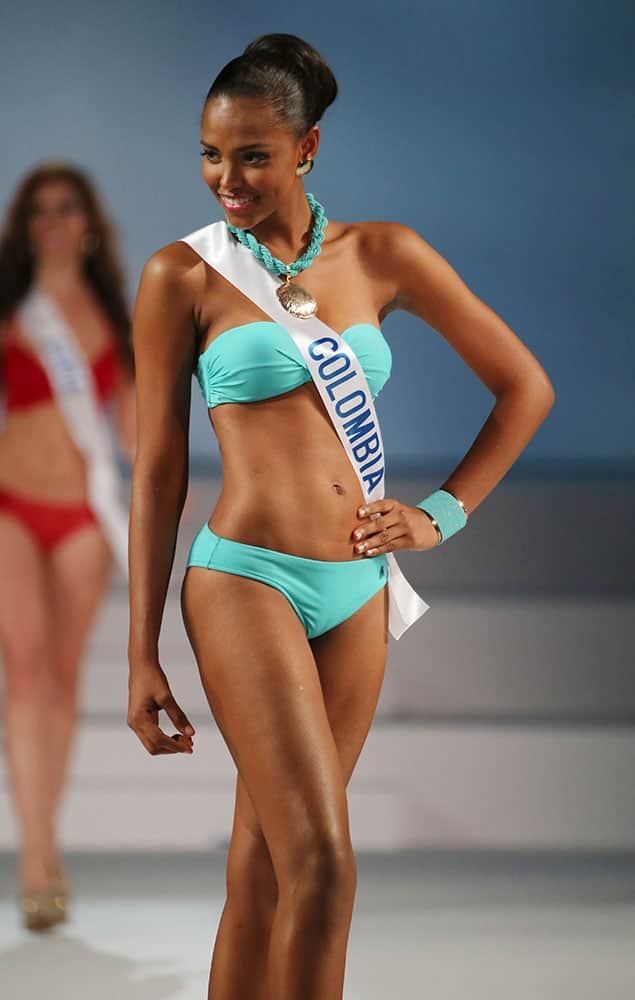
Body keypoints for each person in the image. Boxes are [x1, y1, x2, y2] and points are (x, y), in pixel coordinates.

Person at [127, 32, 555, 1000]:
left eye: (251, 154)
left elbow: (523, 386)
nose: (223, 176)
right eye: (208, 152)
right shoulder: (179, 278)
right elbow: (156, 473)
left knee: (263, 870)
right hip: (243, 577)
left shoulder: (382, 253)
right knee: (322, 861)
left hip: (355, 588)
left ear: (306, 149)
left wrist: (440, 514)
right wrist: (139, 651)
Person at [0, 162, 136, 931]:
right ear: (25, 225)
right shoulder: (10, 308)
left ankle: (46, 839)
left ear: (88, 221)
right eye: (39, 209)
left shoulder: (118, 318)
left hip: (82, 517)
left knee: (58, 679)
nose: (52, 220)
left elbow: (136, 433)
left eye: (66, 207)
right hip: (11, 507)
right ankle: (36, 855)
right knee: (20, 670)